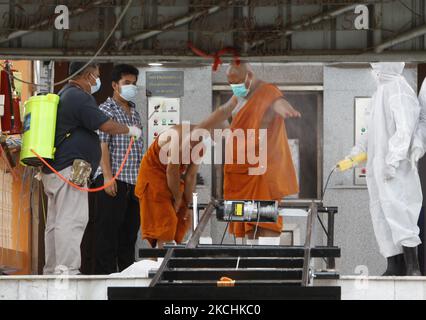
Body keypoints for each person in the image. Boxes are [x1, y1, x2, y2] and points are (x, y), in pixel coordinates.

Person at [41, 62, 142, 275]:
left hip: (58, 170)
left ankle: (53, 269)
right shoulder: (79, 96)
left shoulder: (65, 95)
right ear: (87, 76)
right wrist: (129, 130)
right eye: (96, 76)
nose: (97, 81)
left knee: (56, 222)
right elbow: (105, 125)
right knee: (72, 219)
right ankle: (66, 270)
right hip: (69, 169)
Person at [196, 62, 301, 245]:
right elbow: (222, 112)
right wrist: (196, 129)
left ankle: (265, 268)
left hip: (261, 173)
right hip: (239, 173)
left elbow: (277, 101)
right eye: (230, 82)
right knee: (248, 226)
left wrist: (285, 108)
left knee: (266, 223)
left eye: (236, 81)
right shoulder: (239, 98)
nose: (233, 86)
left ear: (249, 76)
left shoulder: (266, 92)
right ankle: (250, 267)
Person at [348, 62, 422, 276]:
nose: (374, 69)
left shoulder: (399, 89)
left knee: (401, 213)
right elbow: (368, 131)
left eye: (377, 64)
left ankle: (412, 267)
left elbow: (405, 129)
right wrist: (356, 152)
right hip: (378, 168)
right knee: (381, 214)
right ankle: (394, 264)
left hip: (396, 169)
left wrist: (393, 160)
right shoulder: (379, 92)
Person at [89, 64, 144, 274]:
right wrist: (108, 177)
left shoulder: (135, 114)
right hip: (114, 181)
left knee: (129, 237)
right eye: (127, 83)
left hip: (134, 183)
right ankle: (105, 284)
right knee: (107, 236)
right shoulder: (105, 110)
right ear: (114, 85)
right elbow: (102, 143)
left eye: (134, 84)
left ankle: (126, 283)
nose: (131, 88)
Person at [135, 124, 203, 248]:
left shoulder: (200, 145)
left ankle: (170, 257)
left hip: (173, 179)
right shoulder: (178, 137)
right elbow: (171, 171)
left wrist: (189, 204)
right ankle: (160, 261)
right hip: (153, 178)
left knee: (183, 217)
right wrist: (177, 197)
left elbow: (191, 176)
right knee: (166, 223)